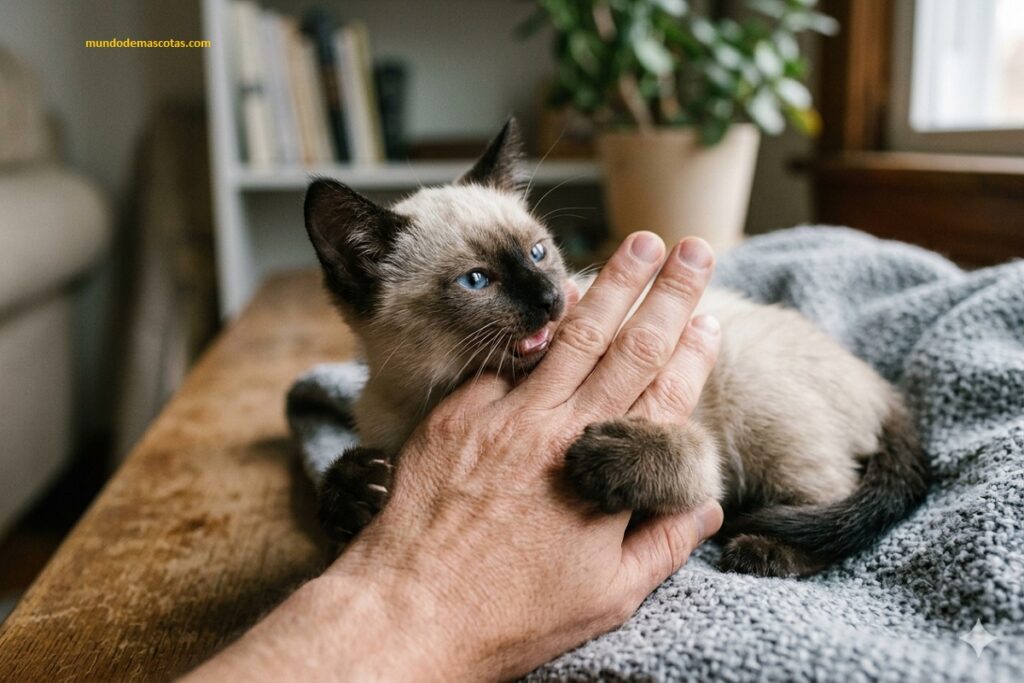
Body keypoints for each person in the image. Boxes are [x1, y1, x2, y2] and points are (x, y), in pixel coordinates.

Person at [184, 232, 724, 682]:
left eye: (539, 254)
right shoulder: (384, 413)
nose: (546, 294)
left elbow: (698, 465)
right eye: (476, 278)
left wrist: (665, 457)